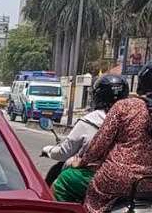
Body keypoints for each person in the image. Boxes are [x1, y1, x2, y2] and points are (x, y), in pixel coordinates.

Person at [77, 59, 152, 213]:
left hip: (116, 179)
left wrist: (82, 161)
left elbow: (99, 144)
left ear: (140, 82)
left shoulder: (124, 106)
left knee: (92, 200)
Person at [43, 74, 130, 202]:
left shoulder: (92, 120)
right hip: (131, 179)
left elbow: (64, 152)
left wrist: (48, 150)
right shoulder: (134, 120)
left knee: (61, 182)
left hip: (99, 176)